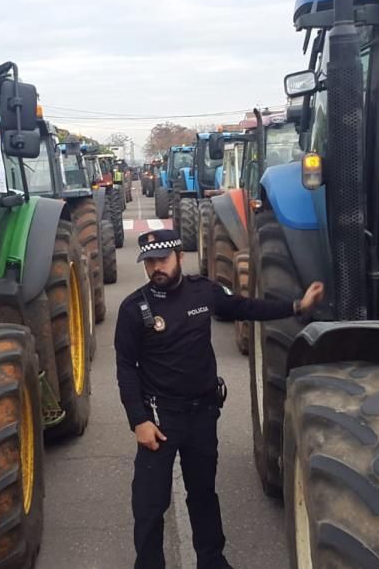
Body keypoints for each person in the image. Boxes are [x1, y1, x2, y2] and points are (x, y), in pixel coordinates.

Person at [115, 230, 325, 569]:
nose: (156, 267)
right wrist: (139, 420)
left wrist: (297, 306)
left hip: (201, 415)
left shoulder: (204, 292)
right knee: (150, 504)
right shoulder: (133, 308)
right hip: (159, 420)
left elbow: (246, 307)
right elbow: (126, 368)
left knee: (203, 494)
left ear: (180, 256)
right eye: (150, 261)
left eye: (162, 259)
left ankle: (211, 560)